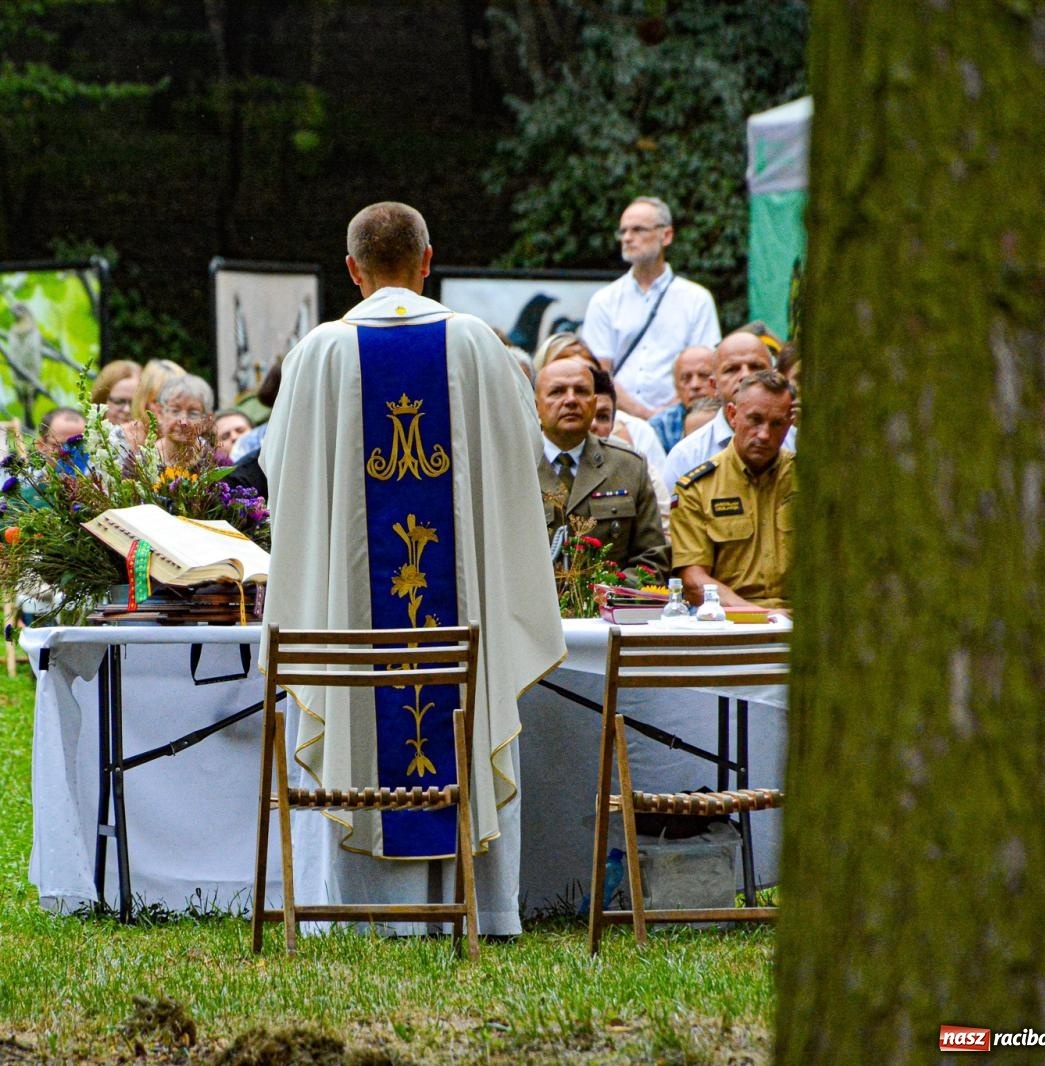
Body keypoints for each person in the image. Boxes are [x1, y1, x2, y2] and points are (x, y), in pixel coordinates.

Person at [262, 202, 564, 938]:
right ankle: (483, 908)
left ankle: (357, 909)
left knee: (361, 717)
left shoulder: (318, 353)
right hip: (459, 630)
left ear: (352, 269)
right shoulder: (481, 347)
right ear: (429, 261)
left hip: (355, 623)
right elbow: (528, 464)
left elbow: (279, 472)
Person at [579, 197, 722, 420]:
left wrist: (666, 416)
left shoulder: (697, 299)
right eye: (623, 231)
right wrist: (643, 414)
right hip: (618, 422)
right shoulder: (604, 300)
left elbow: (706, 370)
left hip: (683, 420)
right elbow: (599, 372)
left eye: (637, 229)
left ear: (666, 235)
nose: (627, 238)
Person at [669, 370, 796, 611]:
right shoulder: (698, 488)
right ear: (732, 415)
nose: (764, 434)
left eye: (777, 423)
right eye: (755, 420)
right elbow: (694, 581)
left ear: (790, 423)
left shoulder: (808, 480)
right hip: (732, 621)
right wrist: (761, 616)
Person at [535, 359, 668, 576]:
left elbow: (652, 560)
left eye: (581, 391)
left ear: (594, 403)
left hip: (608, 605)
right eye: (557, 392)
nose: (570, 400)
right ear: (535, 406)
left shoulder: (629, 468)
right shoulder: (513, 470)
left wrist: (608, 597)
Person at [660, 331, 797, 492]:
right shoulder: (686, 456)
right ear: (714, 386)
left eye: (756, 367)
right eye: (732, 369)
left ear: (776, 377)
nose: (745, 375)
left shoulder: (798, 443)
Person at [646, 345, 716, 453]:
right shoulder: (659, 427)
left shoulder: (738, 415)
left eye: (703, 375)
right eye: (686, 378)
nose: (695, 385)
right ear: (676, 387)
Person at [149, 373, 216, 469]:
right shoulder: (144, 461)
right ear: (159, 413)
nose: (183, 422)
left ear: (206, 420)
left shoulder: (215, 462)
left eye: (193, 413)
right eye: (175, 411)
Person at [90, 359, 142, 427]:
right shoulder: (82, 437)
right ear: (102, 401)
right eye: (119, 401)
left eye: (134, 403)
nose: (127, 410)